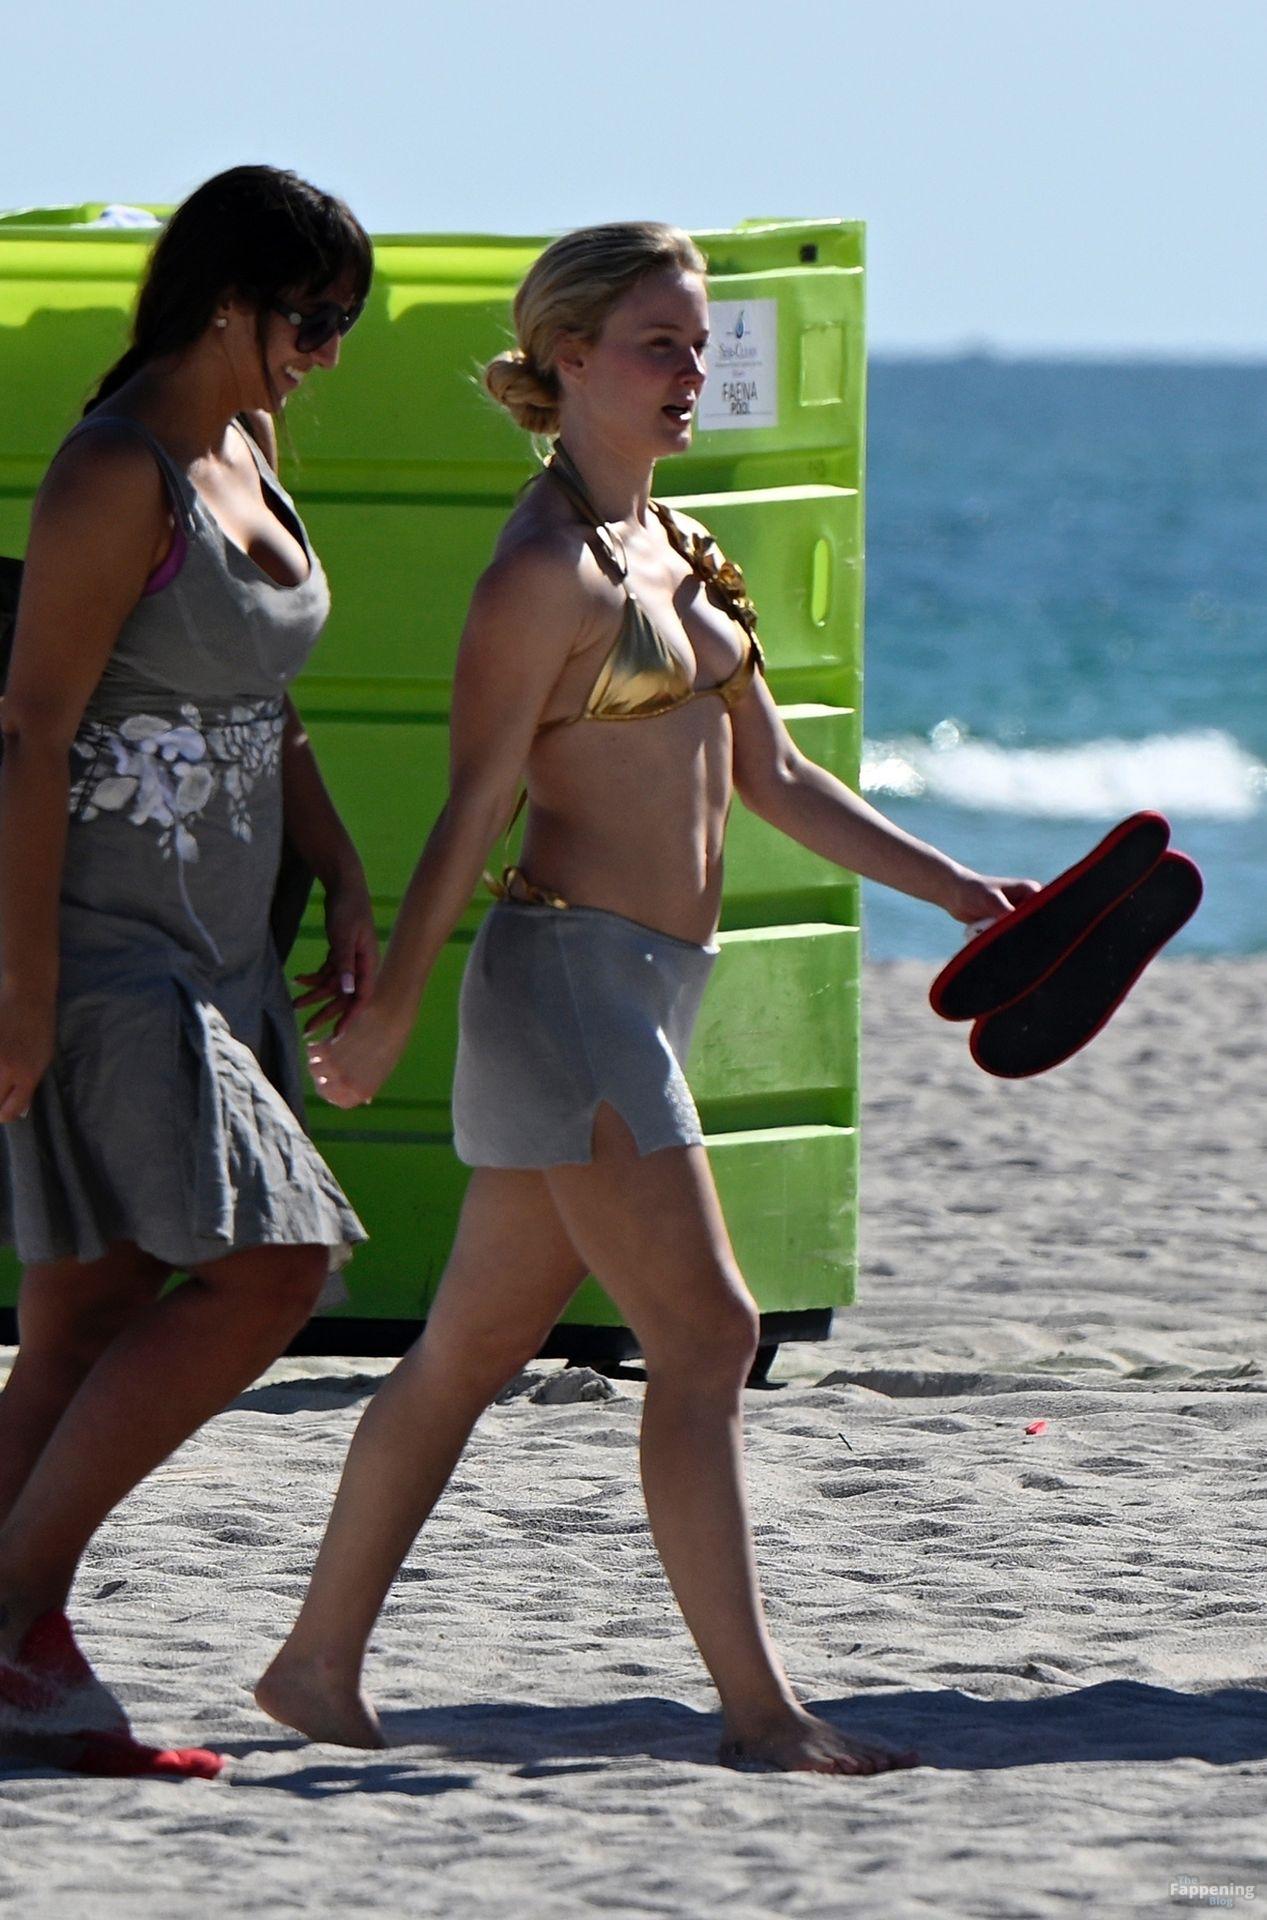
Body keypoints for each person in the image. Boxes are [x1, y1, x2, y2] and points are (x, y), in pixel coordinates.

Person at [256, 222, 1036, 1776]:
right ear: (568, 360)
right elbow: (473, 808)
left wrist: (954, 887)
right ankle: (761, 1711)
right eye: (659, 345)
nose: (693, 371)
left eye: (701, 343)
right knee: (710, 1333)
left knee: (468, 1351)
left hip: (651, 990)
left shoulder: (678, 546)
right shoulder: (539, 573)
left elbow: (779, 778)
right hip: (570, 990)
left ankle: (313, 1667)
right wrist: (391, 1010)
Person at [0, 165, 376, 1759]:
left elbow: (260, 700)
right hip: (106, 951)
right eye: (313, 319)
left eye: (345, 324)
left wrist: (339, 863)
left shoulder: (252, 446)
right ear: (228, 301)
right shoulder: (117, 469)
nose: (327, 354)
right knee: (277, 1267)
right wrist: (21, 997)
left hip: (227, 945)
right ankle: (11, 1609)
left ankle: (21, 1656)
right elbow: (30, 733)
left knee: (88, 1315)